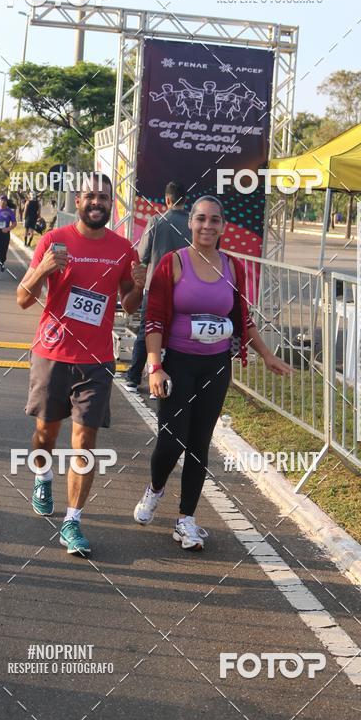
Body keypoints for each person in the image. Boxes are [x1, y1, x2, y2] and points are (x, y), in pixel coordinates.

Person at [133, 196, 292, 550]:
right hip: (177, 363)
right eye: (201, 219)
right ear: (190, 223)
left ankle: (186, 520)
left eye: (215, 220)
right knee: (171, 440)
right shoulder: (173, 264)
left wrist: (266, 355)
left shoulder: (233, 267)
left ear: (223, 226)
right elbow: (154, 318)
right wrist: (155, 365)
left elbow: (242, 319)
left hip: (215, 365)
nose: (207, 226)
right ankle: (155, 488)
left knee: (199, 444)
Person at [16, 173, 146, 558]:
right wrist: (43, 269)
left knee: (85, 441)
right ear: (77, 200)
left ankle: (72, 521)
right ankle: (42, 476)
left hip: (96, 359)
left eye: (104, 198)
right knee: (45, 434)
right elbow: (24, 299)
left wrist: (139, 284)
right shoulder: (53, 241)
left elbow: (130, 305)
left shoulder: (124, 249)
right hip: (52, 353)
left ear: (111, 204)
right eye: (90, 195)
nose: (97, 202)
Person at [125, 181, 190, 393]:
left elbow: (142, 256)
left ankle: (133, 379)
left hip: (155, 288)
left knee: (147, 332)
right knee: (176, 336)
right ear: (185, 200)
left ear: (167, 200)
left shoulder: (156, 221)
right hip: (184, 289)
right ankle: (168, 382)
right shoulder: (193, 223)